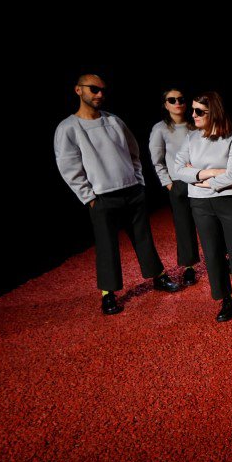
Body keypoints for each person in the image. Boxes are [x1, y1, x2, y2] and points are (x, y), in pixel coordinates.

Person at [54, 74, 181, 315]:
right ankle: (108, 293)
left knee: (143, 236)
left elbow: (133, 152)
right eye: (93, 89)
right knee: (107, 245)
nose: (100, 94)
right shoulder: (68, 127)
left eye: (102, 90)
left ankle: (158, 276)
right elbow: (69, 166)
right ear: (78, 90)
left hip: (131, 190)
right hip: (102, 196)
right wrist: (89, 197)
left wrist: (138, 181)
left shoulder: (114, 120)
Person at [175, 92, 232, 322]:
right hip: (200, 203)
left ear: (213, 113)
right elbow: (178, 169)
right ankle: (226, 300)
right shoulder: (190, 139)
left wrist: (199, 179)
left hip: (230, 200)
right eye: (193, 110)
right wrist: (211, 173)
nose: (193, 115)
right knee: (212, 253)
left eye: (199, 111)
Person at [149, 88, 200, 287]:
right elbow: (157, 160)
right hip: (178, 184)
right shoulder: (160, 129)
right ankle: (189, 267)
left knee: (210, 222)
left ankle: (223, 257)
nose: (177, 103)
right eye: (172, 100)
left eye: (181, 99)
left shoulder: (195, 124)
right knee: (184, 226)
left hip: (200, 181)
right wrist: (169, 183)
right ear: (165, 104)